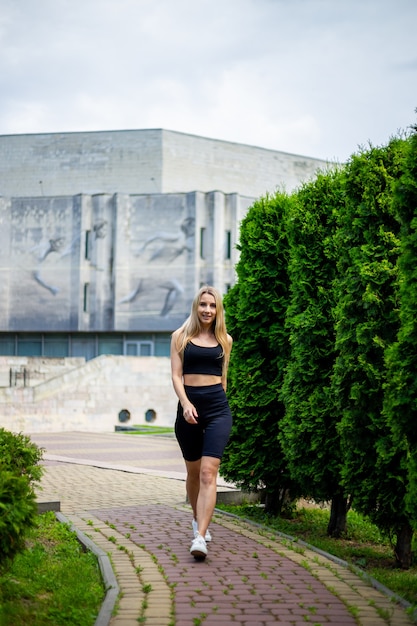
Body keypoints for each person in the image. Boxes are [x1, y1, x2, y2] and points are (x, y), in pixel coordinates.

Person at [171, 285, 233, 560]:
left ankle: (200, 538)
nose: (207, 310)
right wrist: (186, 403)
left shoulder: (225, 340)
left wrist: (217, 404)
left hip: (217, 408)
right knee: (194, 473)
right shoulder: (180, 337)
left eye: (212, 306)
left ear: (218, 309)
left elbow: (224, 379)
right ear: (196, 307)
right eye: (203, 305)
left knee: (210, 473)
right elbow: (175, 375)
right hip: (188, 408)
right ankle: (197, 519)